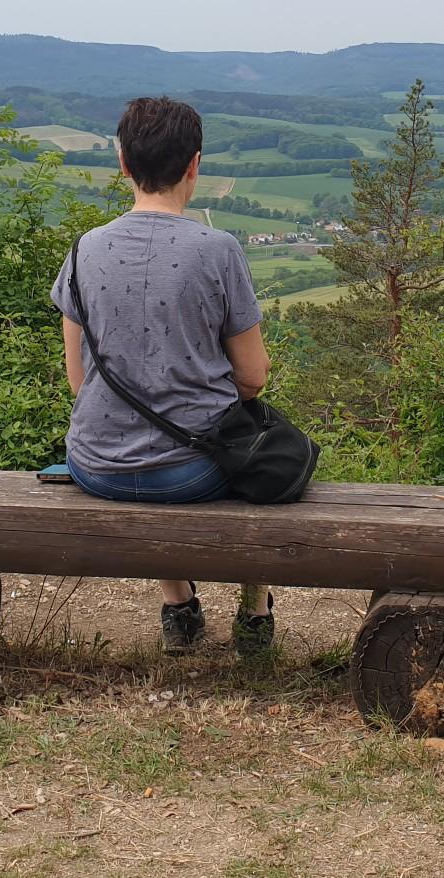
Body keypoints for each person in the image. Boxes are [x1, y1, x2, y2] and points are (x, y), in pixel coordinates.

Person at [51, 96, 277, 657]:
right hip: (189, 475)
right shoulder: (218, 250)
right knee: (258, 447)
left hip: (94, 464)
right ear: (194, 165)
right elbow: (253, 376)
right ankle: (255, 609)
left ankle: (178, 605)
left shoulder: (83, 250)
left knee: (166, 431)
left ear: (123, 163)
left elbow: (78, 380)